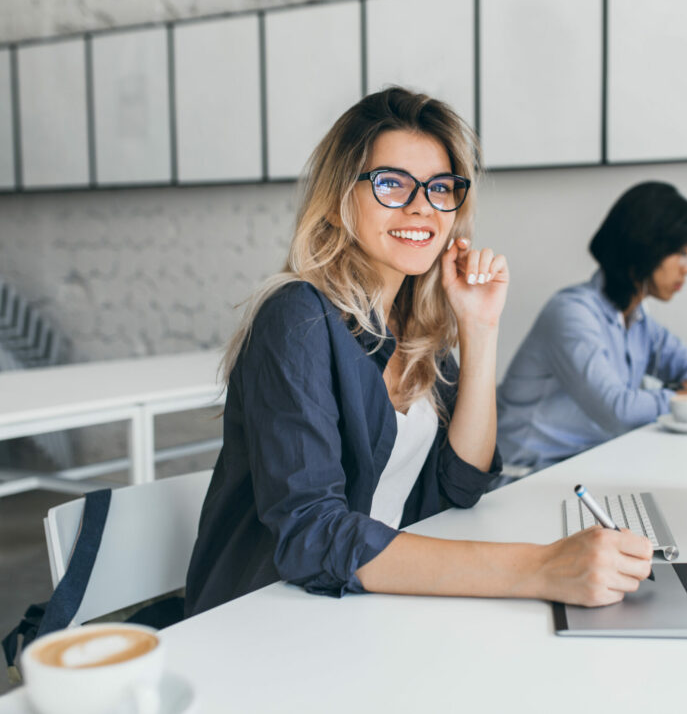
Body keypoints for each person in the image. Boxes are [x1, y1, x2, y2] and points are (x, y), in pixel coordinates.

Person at [185, 88, 652, 617]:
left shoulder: (413, 322)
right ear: (337, 205)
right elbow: (312, 535)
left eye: (440, 188)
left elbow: (462, 482)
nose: (421, 207)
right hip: (265, 618)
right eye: (391, 184)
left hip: (365, 605)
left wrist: (479, 327)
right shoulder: (298, 317)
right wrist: (539, 568)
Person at [497, 181, 687, 472]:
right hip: (525, 476)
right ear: (645, 248)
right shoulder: (571, 314)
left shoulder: (637, 320)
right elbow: (620, 412)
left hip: (584, 465)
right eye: (680, 253)